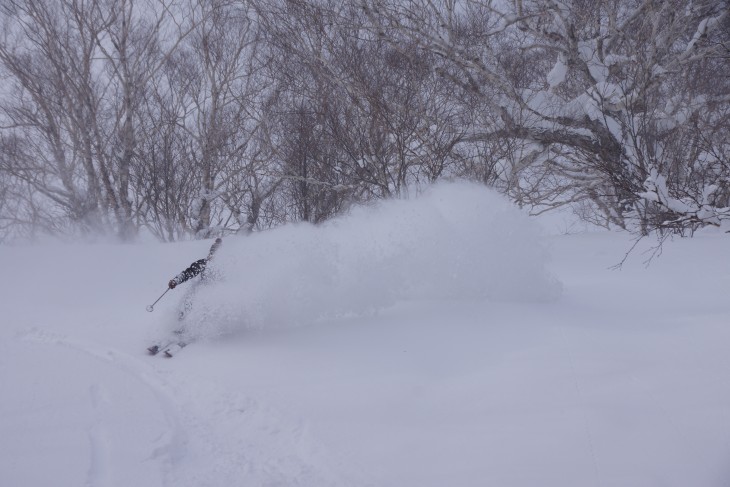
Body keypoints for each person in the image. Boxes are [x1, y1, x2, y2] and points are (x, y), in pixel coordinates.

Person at [148, 238, 223, 357]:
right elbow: (188, 273)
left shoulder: (225, 266)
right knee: (186, 303)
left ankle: (193, 331)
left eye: (214, 253)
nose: (211, 255)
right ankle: (180, 327)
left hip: (215, 293)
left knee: (205, 310)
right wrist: (175, 281)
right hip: (200, 289)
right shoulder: (204, 263)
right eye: (211, 252)